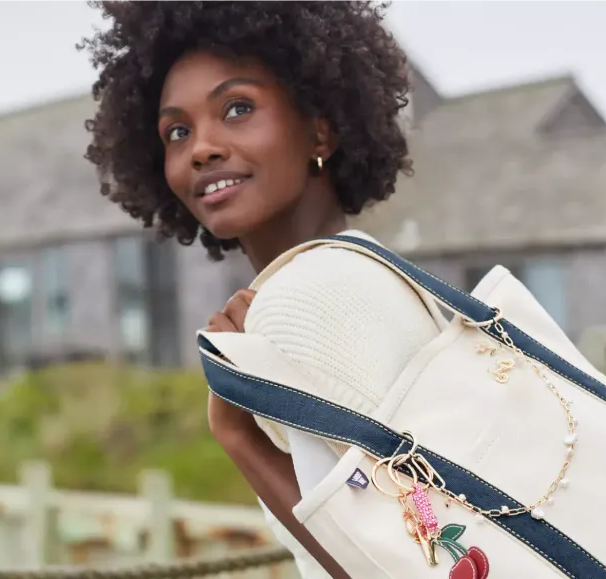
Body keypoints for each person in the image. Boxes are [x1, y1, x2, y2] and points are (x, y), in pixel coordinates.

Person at [80, 1, 437, 576]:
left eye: (237, 108)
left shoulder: (299, 301)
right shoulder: (372, 268)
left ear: (319, 128)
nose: (201, 147)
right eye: (177, 131)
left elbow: (399, 560)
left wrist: (236, 430)